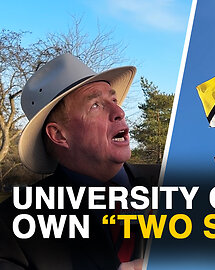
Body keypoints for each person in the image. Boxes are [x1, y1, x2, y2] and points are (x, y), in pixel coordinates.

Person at [0, 54, 159, 270]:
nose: (119, 112)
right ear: (59, 135)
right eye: (95, 105)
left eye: (113, 100)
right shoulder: (11, 228)